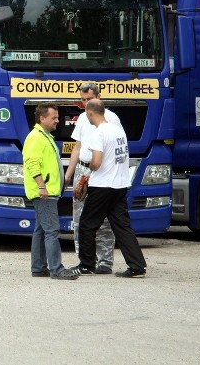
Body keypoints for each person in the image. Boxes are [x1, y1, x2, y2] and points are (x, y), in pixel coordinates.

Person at [74, 99, 147, 278]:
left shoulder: (99, 133)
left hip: (102, 185)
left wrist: (87, 172)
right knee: (122, 226)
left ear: (90, 113)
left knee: (86, 225)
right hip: (120, 184)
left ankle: (86, 265)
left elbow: (97, 162)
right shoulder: (118, 130)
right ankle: (137, 266)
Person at [65, 82, 119, 274]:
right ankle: (85, 261)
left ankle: (105, 261)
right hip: (83, 169)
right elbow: (77, 147)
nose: (86, 104)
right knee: (79, 218)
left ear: (99, 96)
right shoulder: (81, 118)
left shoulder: (111, 118)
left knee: (103, 219)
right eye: (83, 100)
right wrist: (69, 174)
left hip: (101, 171)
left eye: (90, 99)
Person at [23, 103, 77, 280]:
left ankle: (38, 267)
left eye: (57, 117)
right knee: (52, 230)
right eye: (53, 117)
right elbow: (33, 164)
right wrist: (41, 186)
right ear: (42, 118)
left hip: (47, 191)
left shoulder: (44, 136)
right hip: (44, 193)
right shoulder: (36, 138)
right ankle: (57, 269)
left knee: (40, 230)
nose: (57, 121)